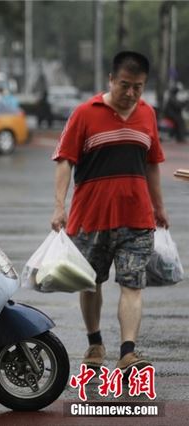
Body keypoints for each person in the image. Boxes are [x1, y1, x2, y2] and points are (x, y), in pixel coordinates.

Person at [50, 51, 169, 375]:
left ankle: (128, 351)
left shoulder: (147, 114)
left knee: (133, 284)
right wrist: (60, 206)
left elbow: (152, 164)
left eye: (138, 87)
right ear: (111, 80)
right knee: (90, 283)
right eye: (125, 86)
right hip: (90, 218)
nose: (131, 94)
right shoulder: (85, 113)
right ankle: (95, 342)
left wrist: (159, 207)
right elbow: (65, 161)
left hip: (137, 218)